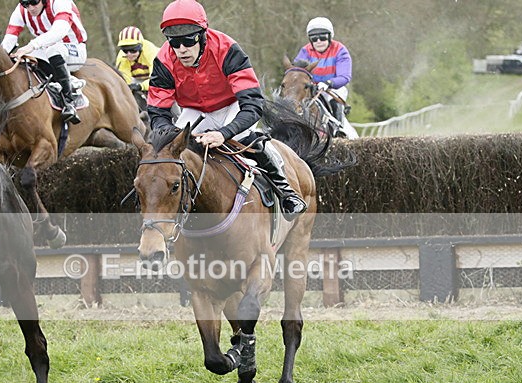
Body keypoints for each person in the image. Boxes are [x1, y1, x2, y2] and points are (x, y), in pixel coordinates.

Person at [147, 0, 307, 219]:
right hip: (194, 111)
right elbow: (158, 112)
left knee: (247, 136)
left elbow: (252, 104)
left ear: (202, 34)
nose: (181, 49)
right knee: (167, 149)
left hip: (232, 106)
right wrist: (172, 136)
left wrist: (223, 133)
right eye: (174, 42)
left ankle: (286, 192)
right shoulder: (164, 60)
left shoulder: (227, 49)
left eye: (188, 39)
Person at [2, 0, 88, 124]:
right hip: (45, 49)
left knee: (53, 50)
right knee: (20, 58)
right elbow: (9, 39)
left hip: (73, 48)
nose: (30, 8)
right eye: (25, 4)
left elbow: (59, 31)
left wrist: (31, 45)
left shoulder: (60, 2)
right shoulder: (20, 10)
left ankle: (69, 101)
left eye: (34, 2)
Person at [294, 16, 352, 126]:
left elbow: (345, 76)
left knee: (333, 101)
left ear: (330, 37)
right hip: (311, 88)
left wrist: (329, 83)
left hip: (333, 89)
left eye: (323, 37)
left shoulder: (340, 50)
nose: (319, 41)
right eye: (314, 38)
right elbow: (297, 72)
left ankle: (338, 129)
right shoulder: (305, 51)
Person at [114, 26, 159, 94]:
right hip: (137, 79)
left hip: (161, 77)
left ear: (141, 47)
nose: (129, 54)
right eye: (125, 50)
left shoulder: (151, 52)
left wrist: (141, 86)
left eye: (133, 50)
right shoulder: (122, 57)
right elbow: (125, 82)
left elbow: (157, 78)